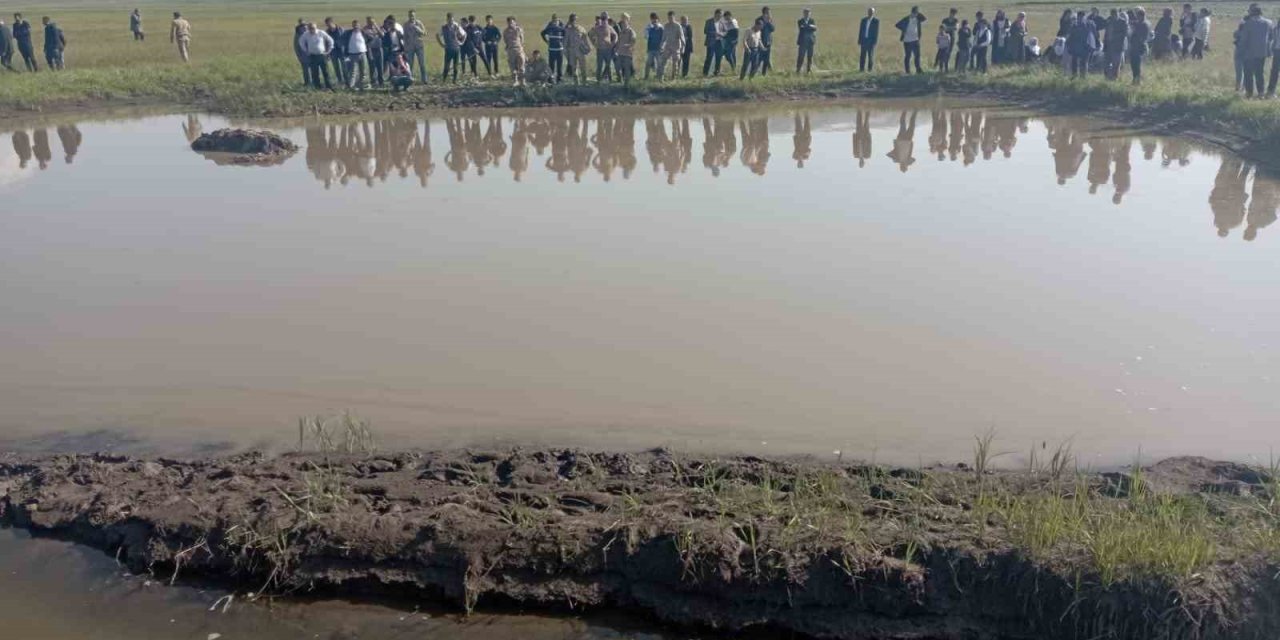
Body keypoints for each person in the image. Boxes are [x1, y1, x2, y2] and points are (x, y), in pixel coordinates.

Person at [1238, 4, 1271, 98]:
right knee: (1259, 73)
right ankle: (1261, 93)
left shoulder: (1248, 23)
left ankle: (1249, 93)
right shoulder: (1268, 22)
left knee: (1248, 73)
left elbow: (1244, 39)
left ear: (1252, 12)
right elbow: (1270, 37)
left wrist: (1240, 49)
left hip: (1249, 52)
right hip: (1262, 52)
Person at [298, 22, 335, 89]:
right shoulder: (306, 34)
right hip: (312, 56)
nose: (311, 30)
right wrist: (306, 51)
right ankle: (317, 87)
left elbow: (330, 40)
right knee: (315, 73)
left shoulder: (321, 33)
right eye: (310, 28)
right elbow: (301, 42)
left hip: (322, 55)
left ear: (316, 27)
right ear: (308, 29)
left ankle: (329, 86)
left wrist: (329, 50)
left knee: (326, 72)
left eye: (313, 28)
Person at [896, 6, 926, 74]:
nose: (916, 14)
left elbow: (924, 18)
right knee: (908, 56)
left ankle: (918, 70)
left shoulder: (918, 19)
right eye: (915, 13)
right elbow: (897, 25)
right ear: (912, 12)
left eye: (917, 13)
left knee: (917, 55)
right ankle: (907, 71)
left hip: (916, 40)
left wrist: (918, 13)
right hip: (907, 41)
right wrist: (904, 29)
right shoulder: (906, 19)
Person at [1066, 11, 1097, 77]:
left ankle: (1083, 78)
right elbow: (1070, 36)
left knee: (1084, 63)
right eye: (1079, 17)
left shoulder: (1089, 24)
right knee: (1074, 63)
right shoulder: (1074, 25)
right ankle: (1074, 77)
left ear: (1084, 17)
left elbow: (1094, 34)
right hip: (1076, 47)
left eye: (1081, 17)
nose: (1080, 19)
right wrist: (1068, 45)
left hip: (1086, 47)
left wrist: (1093, 45)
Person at [438, 13, 464, 83]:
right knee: (446, 66)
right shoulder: (443, 27)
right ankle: (444, 80)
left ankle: (454, 80)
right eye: (449, 20)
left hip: (456, 49)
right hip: (448, 49)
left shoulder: (457, 26)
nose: (451, 21)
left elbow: (464, 34)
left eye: (452, 20)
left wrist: (461, 42)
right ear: (447, 19)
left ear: (453, 19)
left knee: (455, 67)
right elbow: (437, 35)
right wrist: (441, 44)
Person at [565, 13, 590, 84]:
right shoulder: (568, 30)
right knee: (574, 68)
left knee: (583, 67)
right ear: (570, 20)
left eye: (575, 19)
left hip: (580, 50)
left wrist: (587, 48)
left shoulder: (581, 28)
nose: (573, 21)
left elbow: (585, 39)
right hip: (572, 51)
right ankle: (576, 83)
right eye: (572, 20)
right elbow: (565, 43)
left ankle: (584, 82)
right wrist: (566, 54)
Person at [1103, 9, 1128, 80]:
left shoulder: (1123, 22)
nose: (1114, 16)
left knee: (1116, 64)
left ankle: (1114, 78)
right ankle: (1107, 78)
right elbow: (1106, 33)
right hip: (1108, 46)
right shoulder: (1109, 21)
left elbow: (1124, 33)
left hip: (1117, 47)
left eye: (1115, 14)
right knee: (1106, 64)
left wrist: (1114, 36)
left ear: (1117, 14)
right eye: (1112, 14)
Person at [591, 14, 617, 82]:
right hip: (600, 50)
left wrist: (613, 43)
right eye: (602, 20)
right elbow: (590, 34)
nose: (604, 22)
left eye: (605, 20)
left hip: (608, 49)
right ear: (601, 20)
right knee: (599, 66)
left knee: (608, 65)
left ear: (607, 21)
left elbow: (615, 35)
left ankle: (610, 79)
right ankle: (598, 80)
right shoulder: (597, 28)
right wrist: (594, 43)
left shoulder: (609, 27)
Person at [659, 11, 684, 80]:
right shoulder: (666, 26)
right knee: (663, 61)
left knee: (675, 63)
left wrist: (683, 48)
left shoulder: (678, 26)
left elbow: (682, 37)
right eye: (669, 17)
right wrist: (661, 46)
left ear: (674, 17)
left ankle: (673, 78)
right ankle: (661, 77)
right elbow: (663, 37)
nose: (670, 19)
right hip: (668, 46)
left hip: (676, 46)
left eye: (671, 17)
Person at [1129, 9, 1152, 84]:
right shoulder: (1142, 23)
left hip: (1139, 47)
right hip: (1136, 46)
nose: (1137, 17)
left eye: (1138, 16)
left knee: (1137, 65)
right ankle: (1135, 80)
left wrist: (1134, 29)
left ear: (1141, 15)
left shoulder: (1144, 24)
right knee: (1134, 64)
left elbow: (1141, 36)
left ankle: (1137, 81)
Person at [540, 14, 565, 82]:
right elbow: (542, 33)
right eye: (553, 20)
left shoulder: (562, 28)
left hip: (560, 49)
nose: (555, 22)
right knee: (551, 65)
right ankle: (551, 78)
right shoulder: (549, 28)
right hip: (551, 49)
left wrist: (562, 42)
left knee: (559, 65)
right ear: (552, 20)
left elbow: (565, 35)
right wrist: (546, 41)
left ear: (558, 20)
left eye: (556, 20)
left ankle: (559, 78)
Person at [344, 19, 368, 89]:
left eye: (357, 25)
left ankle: (361, 85)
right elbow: (341, 40)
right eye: (354, 25)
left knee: (363, 71)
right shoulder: (348, 33)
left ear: (359, 26)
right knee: (353, 72)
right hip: (353, 55)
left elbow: (371, 38)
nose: (355, 27)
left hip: (362, 53)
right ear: (352, 26)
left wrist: (366, 45)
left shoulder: (363, 32)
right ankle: (351, 86)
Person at [405, 10, 428, 84]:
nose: (411, 17)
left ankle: (424, 80)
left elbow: (425, 33)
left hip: (419, 46)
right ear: (408, 16)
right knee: (410, 64)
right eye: (410, 15)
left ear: (415, 16)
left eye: (413, 15)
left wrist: (419, 29)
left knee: (422, 63)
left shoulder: (419, 23)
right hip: (410, 47)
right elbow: (405, 37)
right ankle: (409, 80)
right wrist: (405, 47)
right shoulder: (406, 25)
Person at [503, 16, 525, 86]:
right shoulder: (505, 31)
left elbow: (522, 39)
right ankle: (515, 81)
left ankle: (523, 81)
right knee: (513, 67)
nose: (510, 24)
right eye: (509, 22)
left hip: (519, 49)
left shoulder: (519, 29)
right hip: (511, 50)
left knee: (521, 67)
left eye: (512, 22)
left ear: (515, 22)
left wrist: (521, 47)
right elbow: (505, 40)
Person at [615, 13, 637, 84]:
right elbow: (619, 42)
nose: (623, 23)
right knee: (618, 68)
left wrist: (628, 45)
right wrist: (616, 49)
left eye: (624, 21)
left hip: (627, 54)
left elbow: (633, 41)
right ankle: (621, 81)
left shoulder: (631, 31)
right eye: (622, 22)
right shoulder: (621, 32)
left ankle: (627, 85)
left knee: (627, 70)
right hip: (620, 53)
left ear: (628, 21)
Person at [324, 18, 347, 85]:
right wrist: (327, 53)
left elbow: (345, 39)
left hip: (341, 51)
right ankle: (340, 81)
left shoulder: (340, 29)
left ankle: (347, 81)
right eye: (327, 24)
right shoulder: (327, 32)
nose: (328, 25)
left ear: (332, 22)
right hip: (333, 51)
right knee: (336, 67)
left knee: (344, 66)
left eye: (328, 24)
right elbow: (326, 43)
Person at [363, 17, 385, 87]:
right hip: (370, 49)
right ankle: (373, 82)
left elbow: (382, 35)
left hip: (379, 48)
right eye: (369, 22)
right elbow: (366, 39)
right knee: (372, 66)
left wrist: (376, 27)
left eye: (372, 22)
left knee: (380, 66)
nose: (371, 23)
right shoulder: (365, 29)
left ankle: (381, 82)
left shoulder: (378, 28)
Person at [702, 9, 724, 75]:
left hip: (719, 42)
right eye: (719, 15)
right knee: (709, 57)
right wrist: (714, 33)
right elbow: (705, 31)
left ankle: (717, 72)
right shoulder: (709, 21)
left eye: (721, 15)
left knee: (719, 57)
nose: (720, 16)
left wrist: (722, 34)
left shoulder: (722, 22)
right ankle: (705, 73)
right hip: (711, 42)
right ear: (716, 14)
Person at [796, 7, 816, 73]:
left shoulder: (812, 20)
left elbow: (814, 29)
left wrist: (807, 26)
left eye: (808, 13)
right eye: (806, 13)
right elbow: (801, 28)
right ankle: (798, 70)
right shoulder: (800, 21)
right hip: (802, 42)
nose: (807, 14)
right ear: (803, 14)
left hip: (810, 42)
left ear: (810, 14)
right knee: (801, 57)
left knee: (810, 57)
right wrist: (810, 26)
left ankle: (809, 70)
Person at [643, 12, 663, 79]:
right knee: (648, 63)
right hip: (651, 49)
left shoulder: (661, 27)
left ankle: (659, 77)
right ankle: (646, 77)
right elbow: (646, 36)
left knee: (659, 64)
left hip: (658, 49)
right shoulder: (648, 27)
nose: (654, 20)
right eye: (652, 19)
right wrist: (649, 29)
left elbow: (664, 38)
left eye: (655, 19)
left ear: (657, 19)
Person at [757, 7, 774, 74]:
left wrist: (769, 22)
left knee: (767, 58)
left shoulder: (769, 20)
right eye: (768, 12)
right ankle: (754, 71)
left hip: (768, 41)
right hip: (761, 41)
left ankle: (765, 73)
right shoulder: (758, 20)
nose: (769, 13)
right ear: (764, 12)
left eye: (769, 12)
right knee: (760, 58)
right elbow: (758, 30)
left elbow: (773, 29)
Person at [293, 18, 309, 85]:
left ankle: (314, 82)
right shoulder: (297, 35)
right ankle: (307, 83)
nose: (305, 28)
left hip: (312, 55)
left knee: (314, 70)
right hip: (303, 56)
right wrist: (299, 57)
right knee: (305, 70)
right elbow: (296, 47)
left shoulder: (309, 33)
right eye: (303, 27)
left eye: (305, 26)